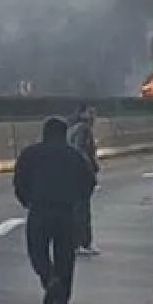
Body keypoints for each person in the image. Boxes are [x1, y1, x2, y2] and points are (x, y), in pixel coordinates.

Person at [12, 116, 97, 304]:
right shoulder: (75, 156)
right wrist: (77, 201)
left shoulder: (30, 154)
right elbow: (89, 181)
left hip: (39, 209)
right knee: (65, 254)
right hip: (66, 211)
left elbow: (19, 181)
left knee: (37, 250)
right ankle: (63, 298)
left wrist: (27, 201)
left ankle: (49, 278)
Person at [68, 105, 100, 256]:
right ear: (83, 114)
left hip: (73, 175)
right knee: (82, 210)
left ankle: (77, 243)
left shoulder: (73, 128)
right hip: (81, 176)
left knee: (77, 209)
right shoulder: (83, 129)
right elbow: (81, 151)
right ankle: (82, 243)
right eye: (91, 113)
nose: (94, 117)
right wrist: (90, 171)